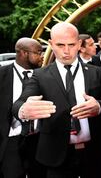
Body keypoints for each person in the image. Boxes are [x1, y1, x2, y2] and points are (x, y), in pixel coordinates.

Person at [12, 22, 101, 178]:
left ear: (79, 44)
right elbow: (19, 103)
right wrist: (24, 110)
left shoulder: (96, 72)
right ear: (51, 44)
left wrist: (98, 106)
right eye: (60, 45)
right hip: (56, 155)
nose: (66, 51)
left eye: (71, 45)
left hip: (94, 153)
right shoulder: (40, 75)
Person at [0, 37, 44, 178]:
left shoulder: (46, 75)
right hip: (9, 142)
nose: (42, 56)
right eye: (38, 52)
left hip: (39, 140)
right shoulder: (2, 75)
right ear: (24, 53)